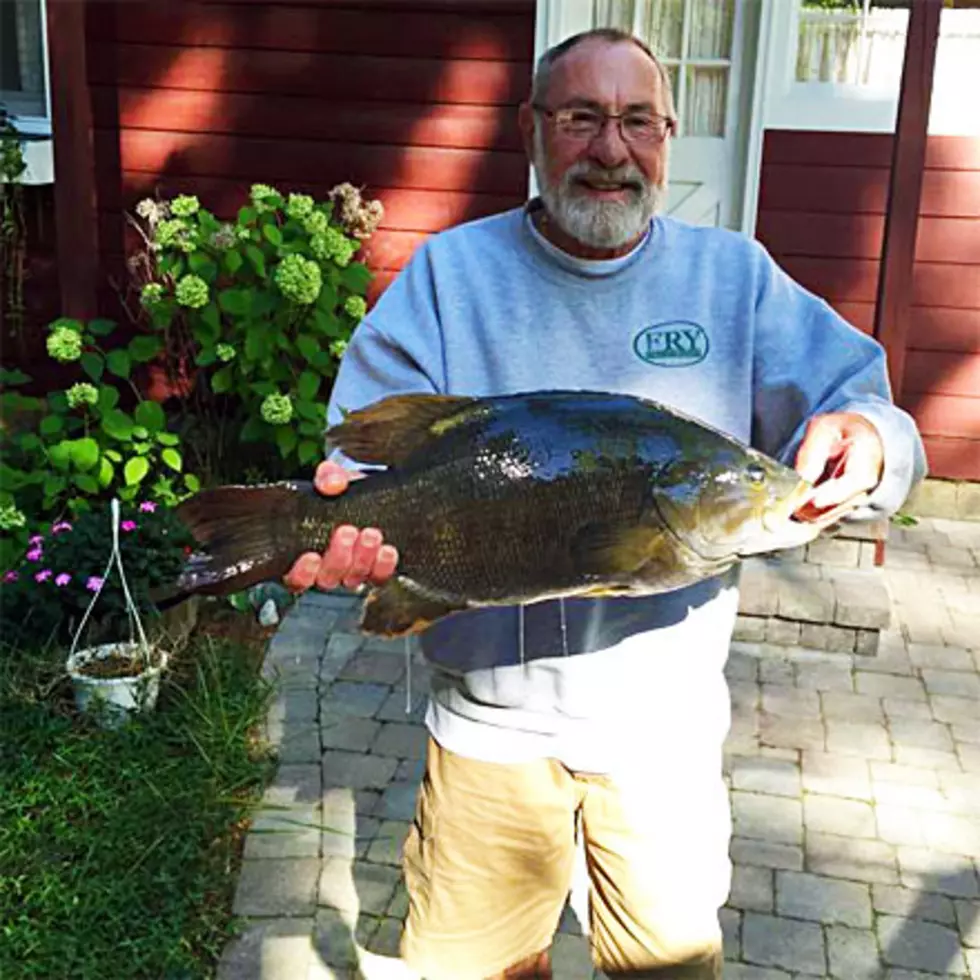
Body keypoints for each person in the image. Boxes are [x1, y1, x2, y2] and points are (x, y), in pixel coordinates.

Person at [285, 28, 926, 980]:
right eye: (581, 117)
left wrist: (872, 441)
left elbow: (870, 403)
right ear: (532, 132)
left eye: (637, 121)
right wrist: (340, 531)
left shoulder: (733, 277)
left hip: (661, 738)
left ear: (668, 135)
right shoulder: (448, 279)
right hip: (487, 730)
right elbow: (360, 453)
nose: (611, 150)